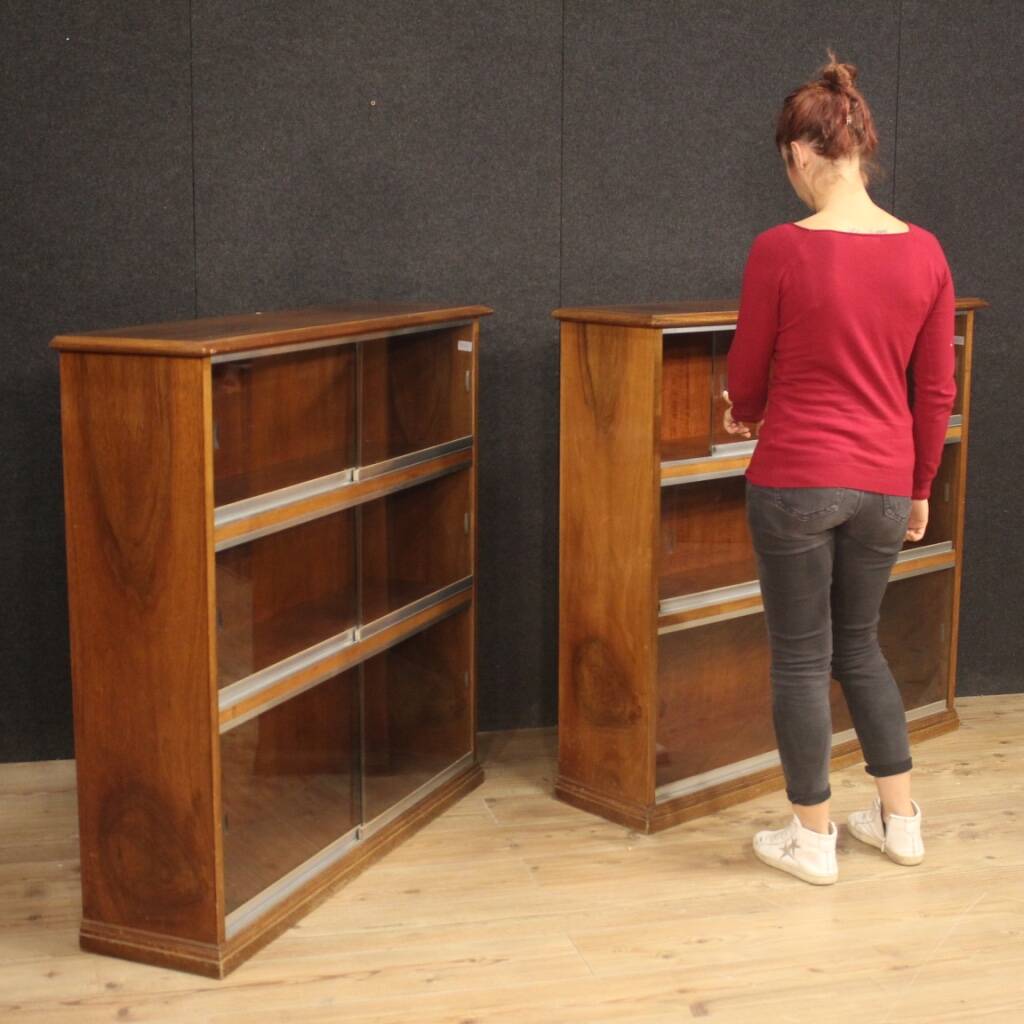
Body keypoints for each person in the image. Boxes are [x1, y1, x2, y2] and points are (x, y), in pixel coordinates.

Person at [722, 49, 956, 885]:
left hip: (795, 478)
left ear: (802, 154)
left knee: (798, 657)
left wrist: (745, 411)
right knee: (860, 647)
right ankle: (899, 824)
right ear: (862, 149)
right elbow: (936, 389)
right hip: (887, 484)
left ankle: (812, 839)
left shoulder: (779, 250)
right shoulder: (926, 252)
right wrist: (919, 486)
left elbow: (747, 377)